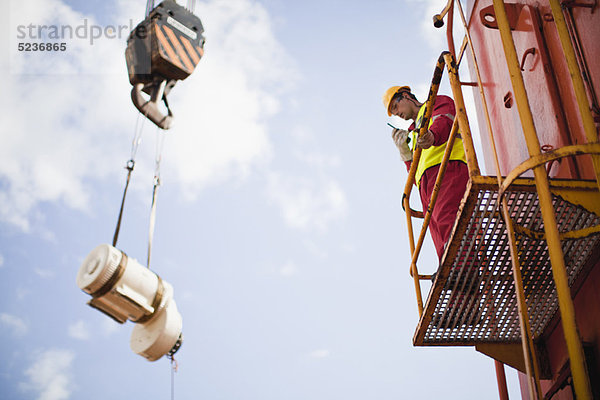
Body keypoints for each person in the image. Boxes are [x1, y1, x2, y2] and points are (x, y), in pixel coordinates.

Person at [382, 85, 469, 260]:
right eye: (392, 111)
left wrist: (432, 135)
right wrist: (406, 155)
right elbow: (415, 173)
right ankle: (450, 267)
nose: (396, 112)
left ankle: (461, 264)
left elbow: (444, 121)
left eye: (395, 106)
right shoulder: (412, 133)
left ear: (405, 96)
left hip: (447, 169)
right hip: (427, 184)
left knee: (449, 218)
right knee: (437, 228)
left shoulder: (435, 103)